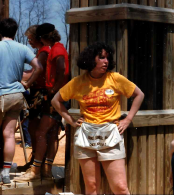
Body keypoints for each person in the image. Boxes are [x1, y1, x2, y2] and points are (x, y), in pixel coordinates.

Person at [51, 42, 144, 194]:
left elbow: (139, 94)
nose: (106, 61)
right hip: (86, 135)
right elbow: (56, 100)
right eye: (101, 58)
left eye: (107, 58)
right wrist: (71, 121)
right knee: (92, 185)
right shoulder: (78, 82)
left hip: (111, 134)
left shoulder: (115, 79)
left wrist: (127, 119)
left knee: (120, 187)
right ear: (90, 59)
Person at [0, 18, 42, 187]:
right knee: (9, 135)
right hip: (17, 96)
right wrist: (28, 84)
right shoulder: (23, 48)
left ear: (0, 31)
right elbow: (39, 67)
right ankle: (6, 173)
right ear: (15, 31)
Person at [15, 23, 69, 181]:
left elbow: (62, 69)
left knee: (41, 133)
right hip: (54, 93)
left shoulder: (55, 50)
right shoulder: (54, 48)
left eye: (33, 38)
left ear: (42, 38)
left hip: (52, 94)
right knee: (49, 133)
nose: (31, 41)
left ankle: (35, 171)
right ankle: (45, 169)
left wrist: (53, 91)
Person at [20, 25, 50, 168]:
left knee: (36, 128)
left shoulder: (44, 52)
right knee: (33, 128)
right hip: (36, 90)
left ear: (38, 38)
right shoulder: (40, 52)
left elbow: (35, 72)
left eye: (30, 38)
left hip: (40, 92)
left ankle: (38, 162)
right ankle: (35, 160)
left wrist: (13, 75)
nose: (29, 41)